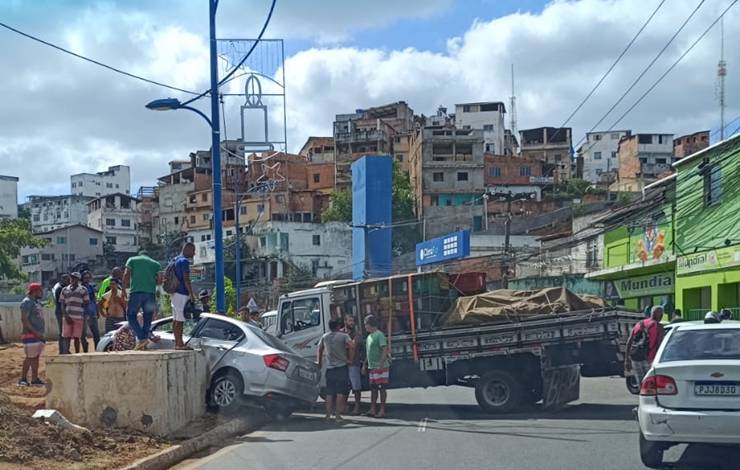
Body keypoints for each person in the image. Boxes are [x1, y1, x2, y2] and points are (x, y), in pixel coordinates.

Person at [124, 250, 161, 351]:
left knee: (131, 315)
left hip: (136, 292)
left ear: (140, 255)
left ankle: (141, 338)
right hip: (150, 294)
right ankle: (143, 340)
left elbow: (126, 274)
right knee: (148, 317)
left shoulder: (132, 260)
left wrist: (124, 289)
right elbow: (160, 280)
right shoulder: (155, 264)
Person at [317, 318, 353, 422]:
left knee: (329, 393)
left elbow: (319, 349)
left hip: (330, 368)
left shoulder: (325, 336)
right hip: (341, 367)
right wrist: (349, 359)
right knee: (340, 393)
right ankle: (337, 415)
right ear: (338, 326)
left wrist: (319, 362)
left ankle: (328, 415)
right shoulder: (344, 336)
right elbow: (352, 345)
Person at [625, 306, 665, 385]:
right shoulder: (659, 327)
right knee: (651, 384)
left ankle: (642, 396)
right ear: (661, 315)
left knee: (641, 383)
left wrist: (627, 360)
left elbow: (629, 342)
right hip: (649, 359)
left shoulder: (639, 324)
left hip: (635, 357)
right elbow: (659, 346)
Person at [19, 283, 46, 386]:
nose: (41, 293)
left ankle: (34, 379)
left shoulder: (34, 302)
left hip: (37, 334)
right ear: (35, 291)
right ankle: (23, 379)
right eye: (40, 291)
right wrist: (36, 333)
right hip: (30, 335)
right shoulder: (27, 302)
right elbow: (24, 320)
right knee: (30, 357)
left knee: (35, 357)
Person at [363, 314, 389, 418]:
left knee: (382, 387)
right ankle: (372, 409)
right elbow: (368, 352)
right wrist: (364, 364)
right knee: (373, 388)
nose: (365, 327)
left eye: (366, 324)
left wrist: (381, 364)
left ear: (370, 324)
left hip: (380, 366)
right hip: (372, 366)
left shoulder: (379, 335)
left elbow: (384, 349)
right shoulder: (369, 336)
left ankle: (382, 410)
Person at [171, 243, 196, 350]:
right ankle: (180, 344)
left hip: (174, 293)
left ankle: (177, 343)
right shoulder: (184, 261)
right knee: (180, 319)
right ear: (187, 249)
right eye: (193, 251)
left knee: (176, 319)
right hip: (181, 292)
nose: (194, 254)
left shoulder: (175, 260)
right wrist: (191, 293)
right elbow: (186, 279)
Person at [61, 272, 89, 354]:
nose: (72, 279)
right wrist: (66, 316)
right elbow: (62, 304)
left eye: (75, 278)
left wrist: (84, 316)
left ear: (78, 279)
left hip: (78, 317)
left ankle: (77, 354)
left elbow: (86, 304)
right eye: (71, 277)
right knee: (66, 337)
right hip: (67, 317)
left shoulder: (83, 290)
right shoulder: (65, 290)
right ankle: (66, 353)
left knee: (77, 338)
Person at [343, 314, 364, 415]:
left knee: (356, 387)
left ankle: (357, 407)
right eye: (349, 321)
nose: (351, 323)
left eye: (352, 321)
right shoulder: (341, 333)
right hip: (343, 364)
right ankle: (344, 406)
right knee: (344, 387)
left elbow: (353, 346)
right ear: (345, 321)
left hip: (354, 363)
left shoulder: (357, 334)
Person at [99, 267, 127, 333]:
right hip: (110, 317)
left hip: (120, 317)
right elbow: (100, 302)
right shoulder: (107, 292)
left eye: (113, 284)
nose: (112, 285)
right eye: (111, 284)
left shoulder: (121, 293)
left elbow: (125, 305)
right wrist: (104, 313)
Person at [80, 271, 100, 352]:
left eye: (88, 278)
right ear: (82, 279)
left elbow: (94, 300)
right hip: (83, 314)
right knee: (82, 335)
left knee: (96, 334)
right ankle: (85, 350)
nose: (87, 279)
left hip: (92, 313)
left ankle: (98, 350)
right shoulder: (80, 288)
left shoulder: (91, 287)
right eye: (85, 278)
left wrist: (97, 311)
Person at [52, 274, 71, 353]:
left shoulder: (60, 287)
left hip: (61, 311)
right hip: (61, 311)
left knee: (65, 331)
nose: (69, 281)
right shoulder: (60, 288)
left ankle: (64, 349)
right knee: (63, 331)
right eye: (67, 280)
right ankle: (62, 350)